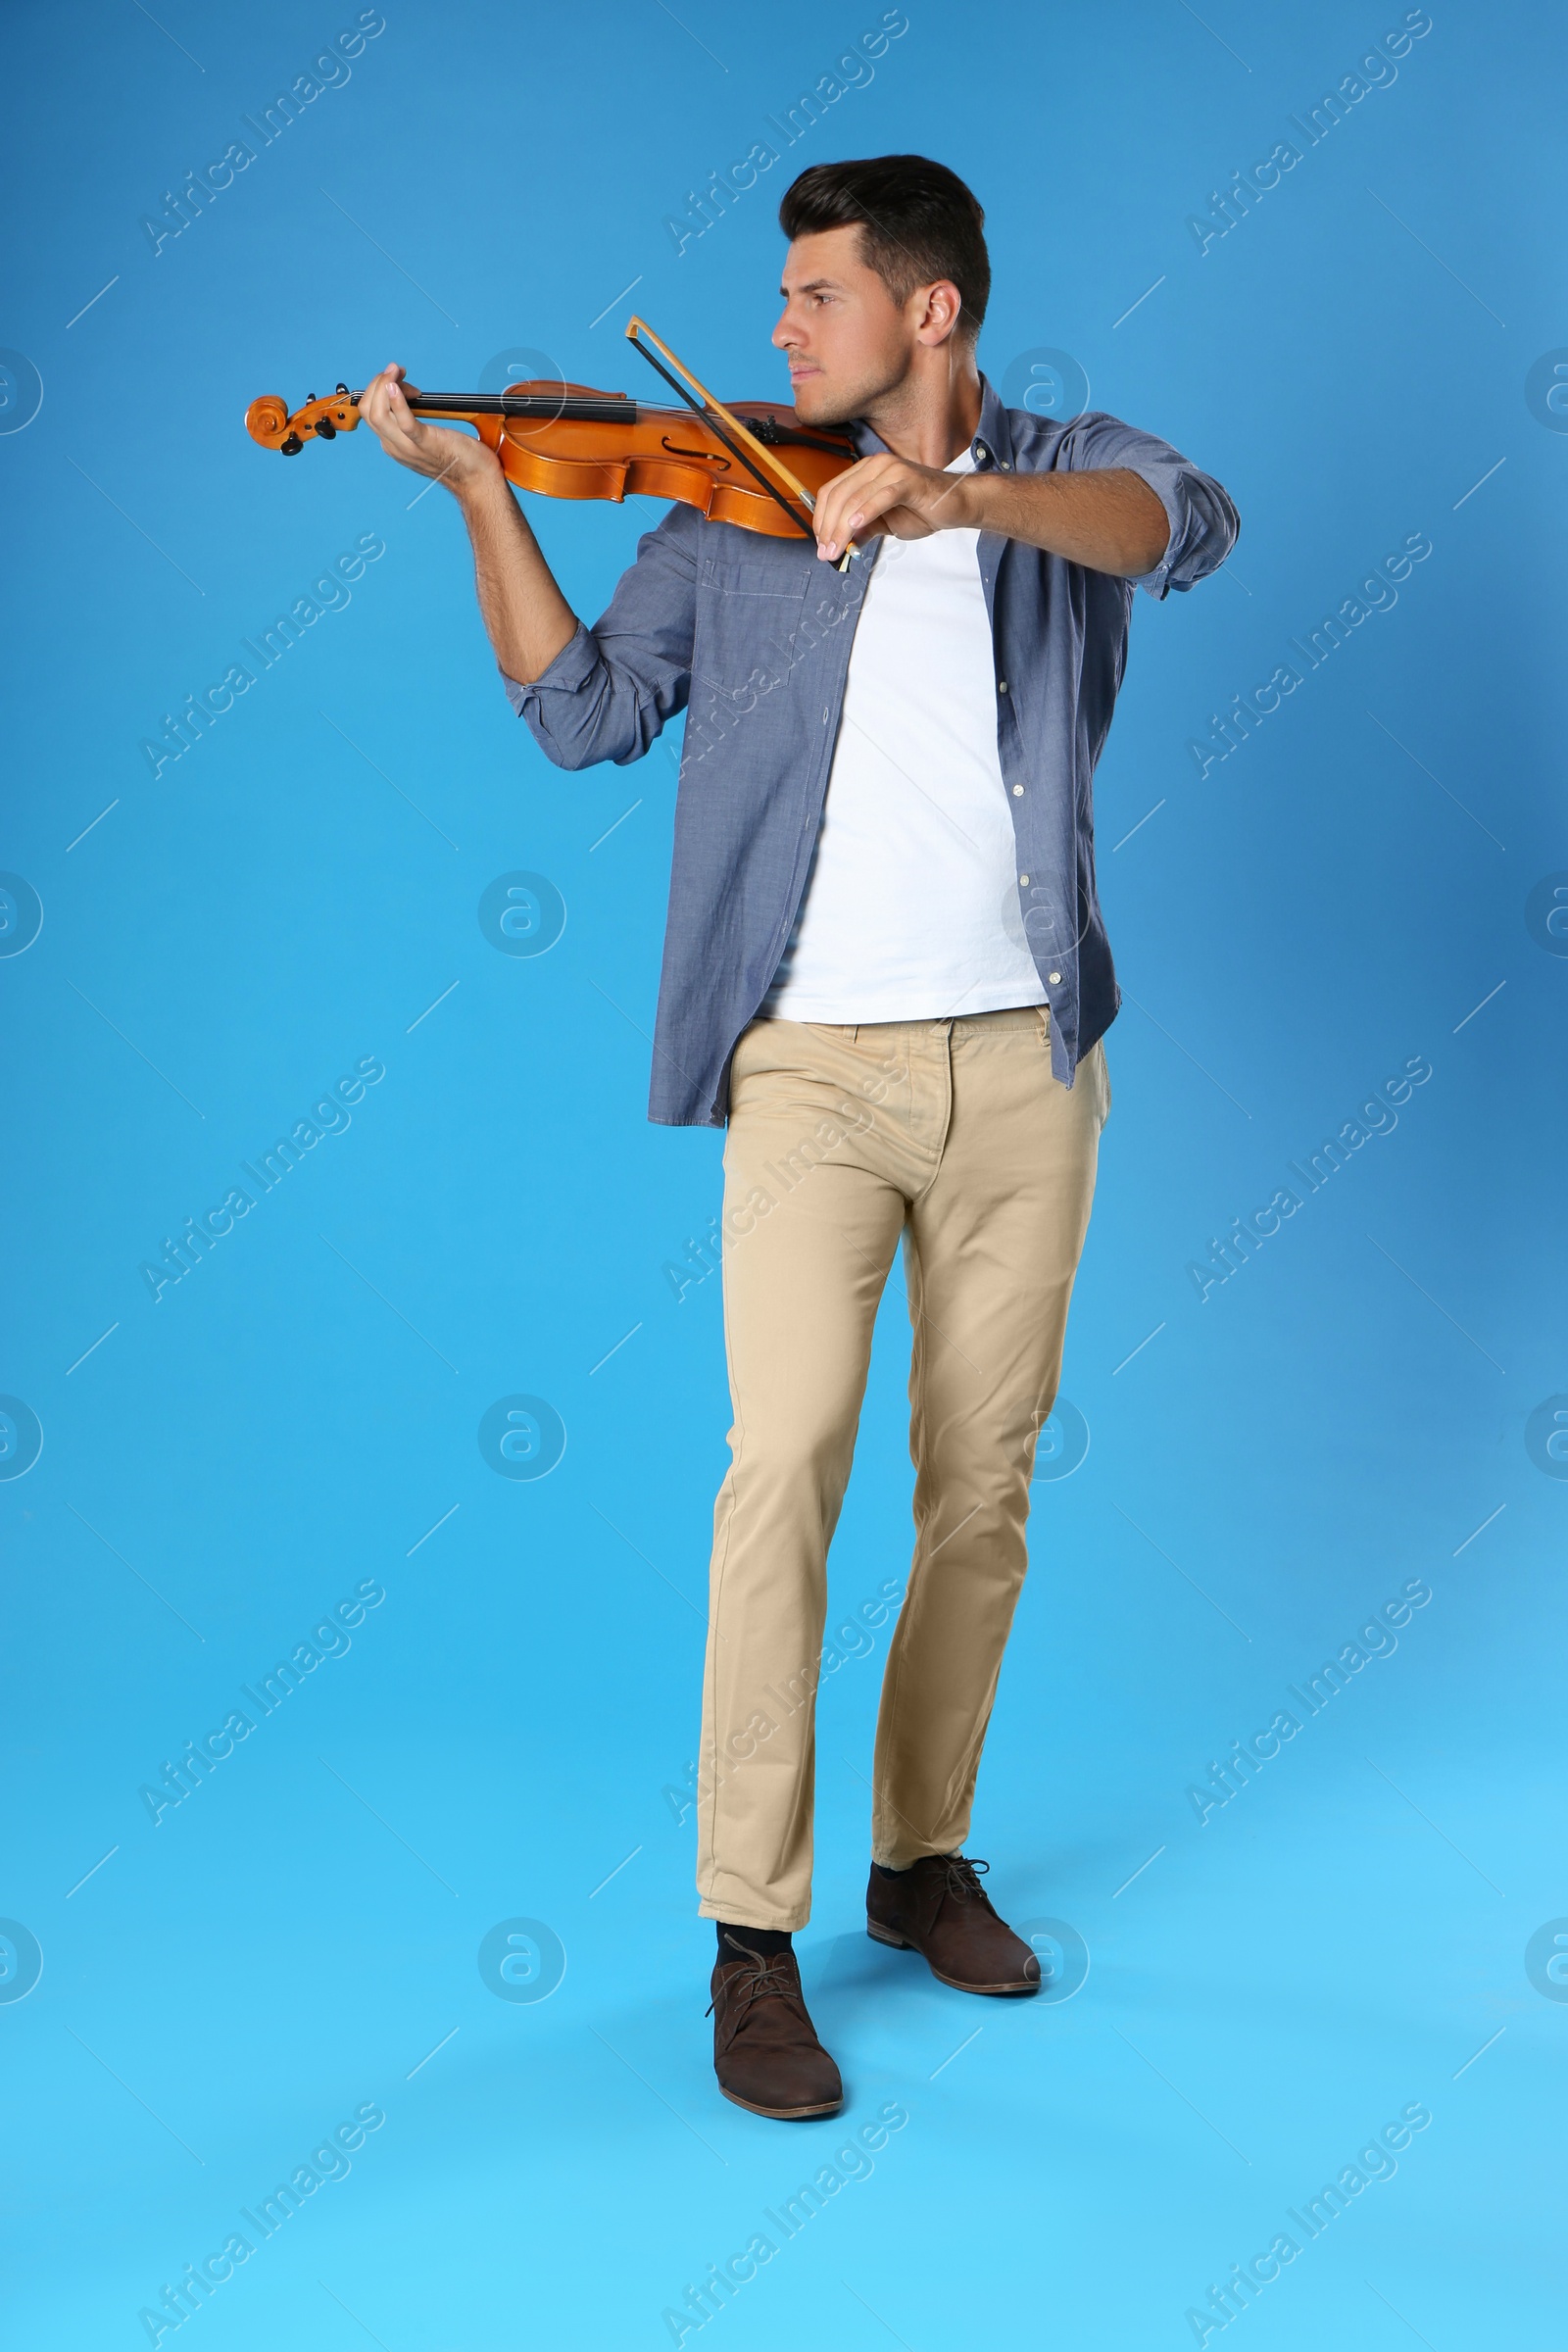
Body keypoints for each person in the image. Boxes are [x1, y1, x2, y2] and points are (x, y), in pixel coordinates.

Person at [359, 154, 1239, 2121]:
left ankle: (919, 1864)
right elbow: (578, 717)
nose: (774, 330)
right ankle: (748, 1943)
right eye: (775, 302)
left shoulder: (1060, 476)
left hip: (1025, 1061)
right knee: (781, 1470)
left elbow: (1180, 523)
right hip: (812, 1071)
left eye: (813, 298)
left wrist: (952, 501)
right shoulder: (726, 519)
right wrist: (491, 501)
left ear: (929, 311)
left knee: (980, 1487)